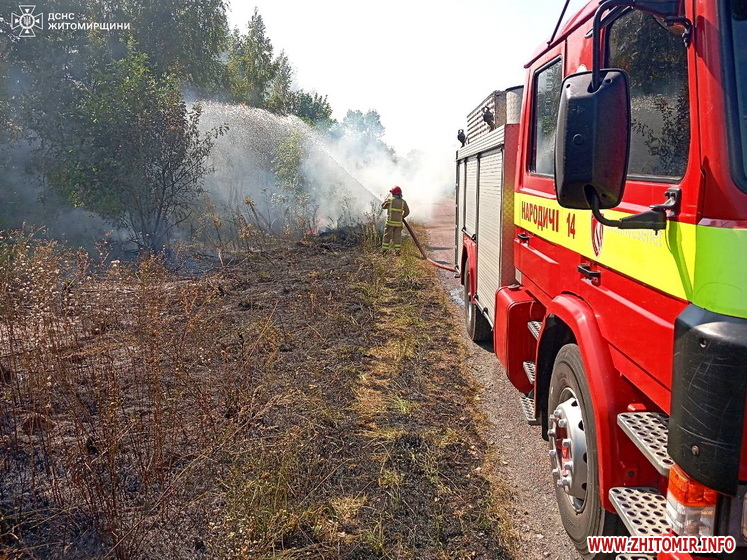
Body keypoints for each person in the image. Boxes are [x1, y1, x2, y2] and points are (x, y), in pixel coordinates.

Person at [381, 186, 410, 254]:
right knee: (397, 237)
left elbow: (383, 206)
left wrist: (386, 200)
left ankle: (384, 251)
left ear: (393, 193)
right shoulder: (403, 202)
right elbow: (407, 212)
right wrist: (401, 217)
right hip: (398, 224)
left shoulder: (389, 200)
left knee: (387, 236)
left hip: (390, 223)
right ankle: (397, 251)